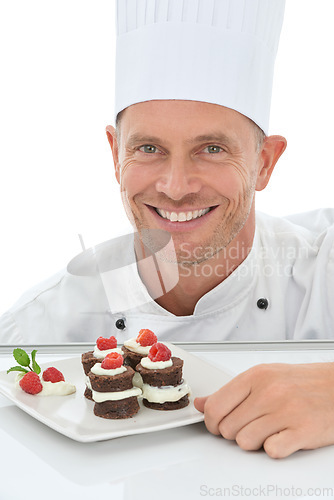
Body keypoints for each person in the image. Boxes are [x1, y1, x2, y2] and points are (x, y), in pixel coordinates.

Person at [1, 0, 334, 458]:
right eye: (150, 148)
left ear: (264, 162)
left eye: (212, 148)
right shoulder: (36, 332)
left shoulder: (324, 272)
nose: (176, 188)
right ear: (115, 156)